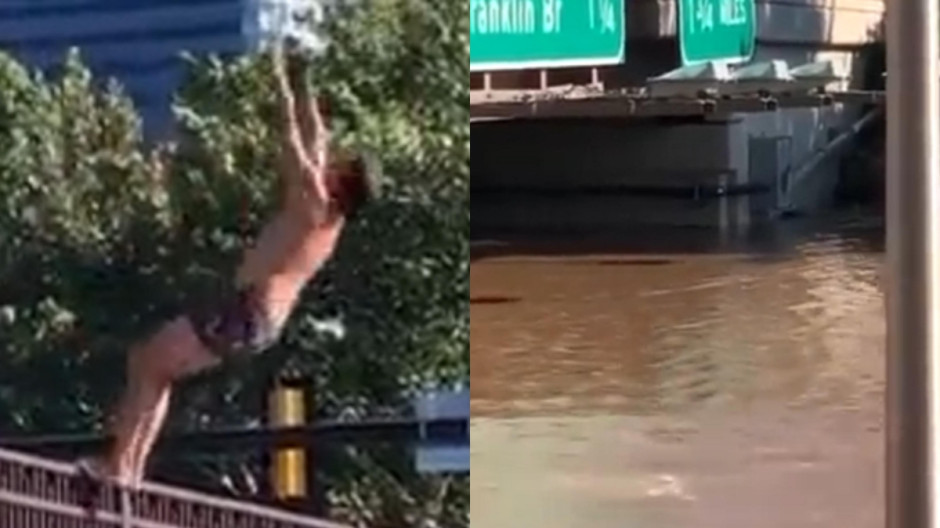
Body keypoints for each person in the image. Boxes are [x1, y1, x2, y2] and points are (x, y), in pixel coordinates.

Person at [76, 48, 379, 489]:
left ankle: (121, 469)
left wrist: (278, 76)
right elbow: (317, 138)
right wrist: (304, 75)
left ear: (340, 180)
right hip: (253, 318)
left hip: (244, 312)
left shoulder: (314, 205)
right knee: (154, 367)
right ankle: (128, 470)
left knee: (146, 362)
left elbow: (295, 141)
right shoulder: (331, 223)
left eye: (339, 164)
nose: (330, 159)